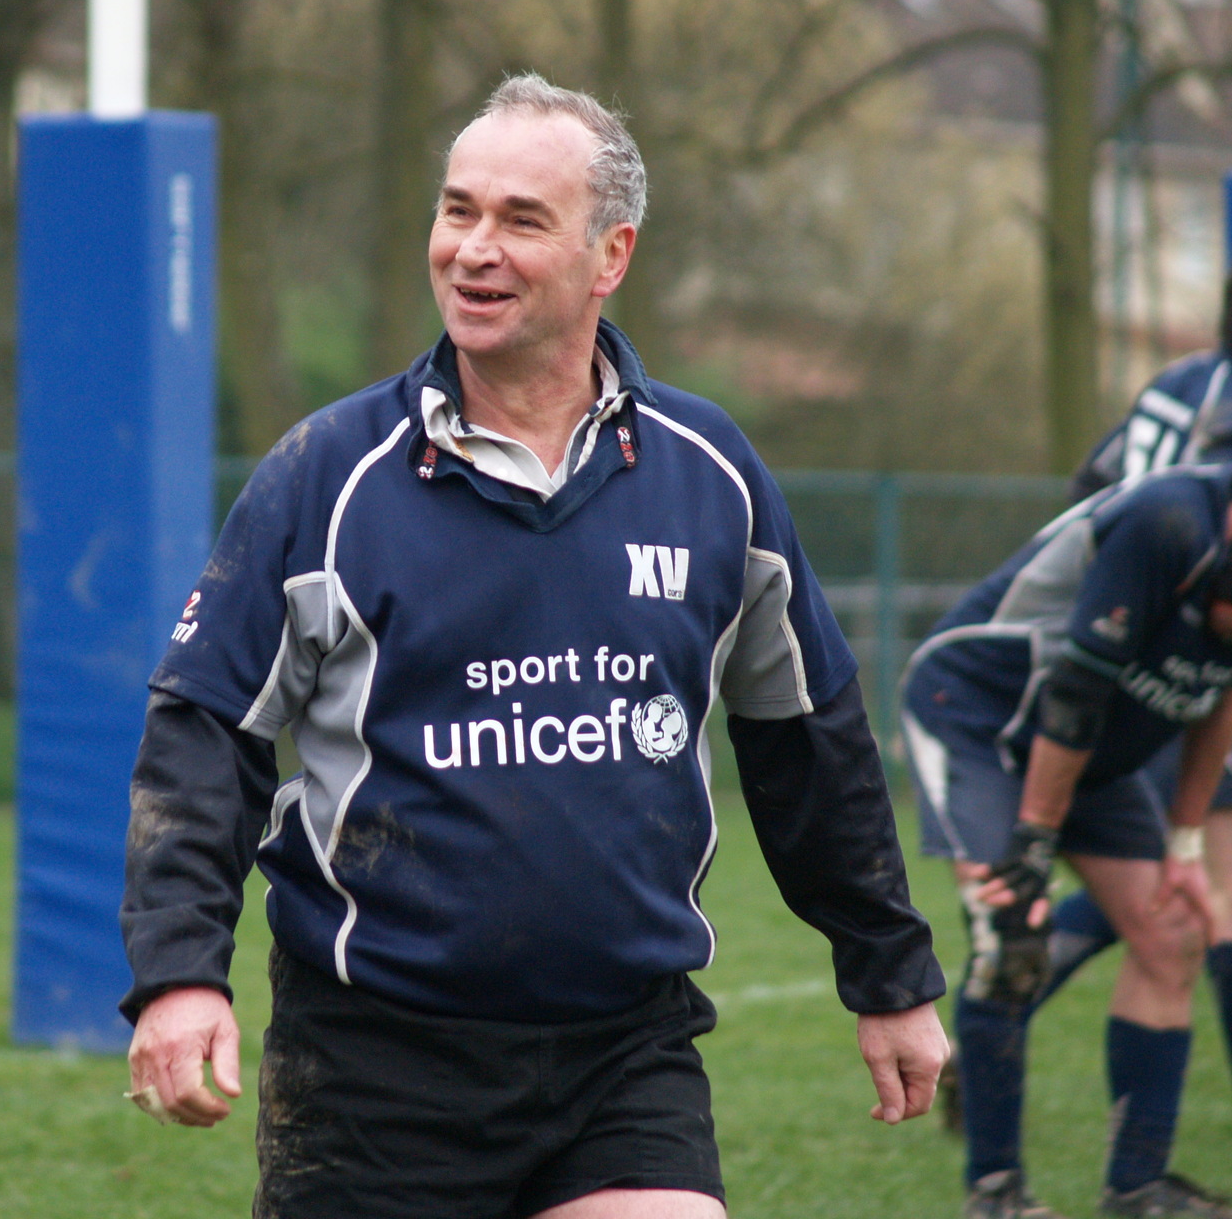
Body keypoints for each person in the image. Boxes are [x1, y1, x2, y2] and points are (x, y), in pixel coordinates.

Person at [119, 73, 949, 1219]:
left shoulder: (710, 475)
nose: (473, 249)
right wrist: (178, 974)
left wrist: (891, 974)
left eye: (520, 220)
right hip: (376, 1067)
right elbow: (205, 729)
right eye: (458, 210)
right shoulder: (328, 476)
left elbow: (807, 739)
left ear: (611, 256)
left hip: (626, 1049)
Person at [901, 460, 1232, 1219]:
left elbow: (1223, 700)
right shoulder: (1169, 523)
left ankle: (1137, 1189)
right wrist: (1035, 843)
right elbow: (1073, 691)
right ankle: (997, 1193)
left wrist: (1185, 846)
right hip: (976, 716)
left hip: (1089, 744)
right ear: (1227, 585)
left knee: (1171, 932)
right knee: (1014, 937)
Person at [1024, 235, 1232, 1153]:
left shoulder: (1183, 380)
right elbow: (1215, 551)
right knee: (1228, 892)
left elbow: (1094, 487)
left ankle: (1009, 988)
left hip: (1131, 654)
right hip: (1201, 657)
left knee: (1164, 891)